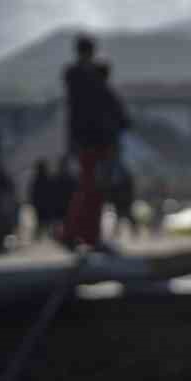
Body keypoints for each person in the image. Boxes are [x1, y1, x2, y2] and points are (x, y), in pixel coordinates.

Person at [60, 35, 129, 251]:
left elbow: (74, 114)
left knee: (92, 189)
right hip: (94, 142)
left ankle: (85, 235)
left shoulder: (78, 78)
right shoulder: (87, 80)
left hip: (90, 141)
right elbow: (107, 113)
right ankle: (77, 234)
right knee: (91, 188)